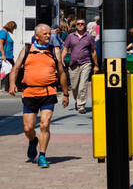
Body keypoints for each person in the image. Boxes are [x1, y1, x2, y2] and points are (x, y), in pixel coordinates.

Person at [8, 24, 69, 168]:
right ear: (37, 36)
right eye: (45, 34)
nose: (49, 36)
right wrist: (12, 84)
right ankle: (32, 140)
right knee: (28, 128)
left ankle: (42, 155)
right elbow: (16, 68)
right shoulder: (27, 49)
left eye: (49, 34)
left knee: (45, 124)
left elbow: (61, 73)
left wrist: (66, 94)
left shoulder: (54, 51)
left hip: (48, 92)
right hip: (29, 92)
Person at [61, 18, 99, 114]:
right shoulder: (70, 36)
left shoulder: (89, 37)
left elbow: (93, 52)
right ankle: (77, 100)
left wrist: (96, 65)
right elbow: (65, 49)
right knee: (74, 86)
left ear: (85, 25)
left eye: (82, 24)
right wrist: (61, 59)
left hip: (86, 63)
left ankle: (81, 105)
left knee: (83, 85)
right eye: (78, 24)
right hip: (73, 64)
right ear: (76, 25)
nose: (80, 25)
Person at [0, 20, 16, 89]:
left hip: (9, 56)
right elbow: (0, 44)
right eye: (13, 28)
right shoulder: (3, 32)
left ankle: (8, 86)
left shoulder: (6, 33)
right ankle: (10, 86)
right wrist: (3, 55)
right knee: (13, 70)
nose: (13, 30)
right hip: (6, 56)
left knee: (10, 71)